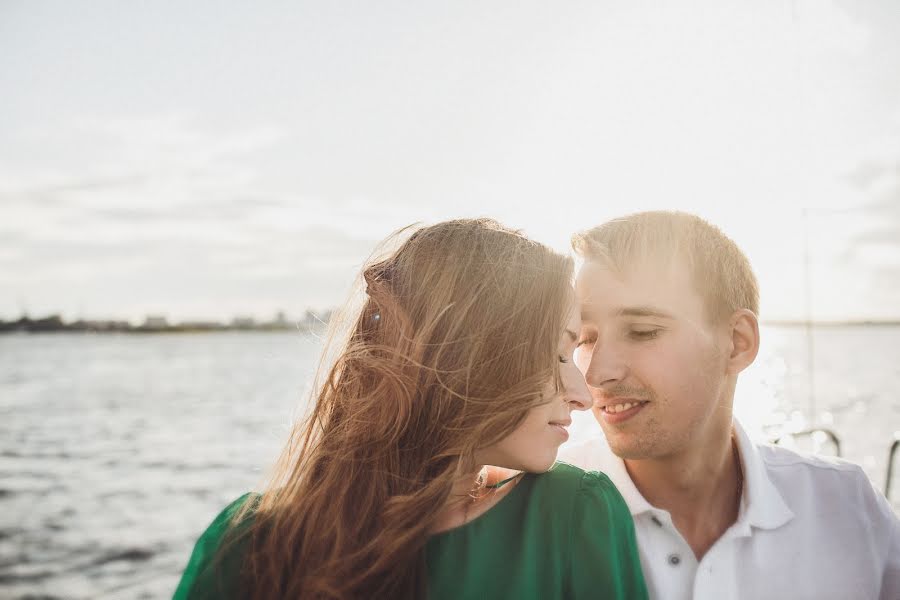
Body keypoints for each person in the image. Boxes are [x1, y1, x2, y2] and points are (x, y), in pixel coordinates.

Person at [173, 218, 649, 600]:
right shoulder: (250, 544)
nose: (583, 395)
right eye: (559, 355)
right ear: (471, 357)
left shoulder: (574, 515)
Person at [560, 210, 900, 600]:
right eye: (583, 339)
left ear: (738, 341)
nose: (595, 373)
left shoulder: (847, 507)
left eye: (642, 331)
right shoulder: (530, 518)